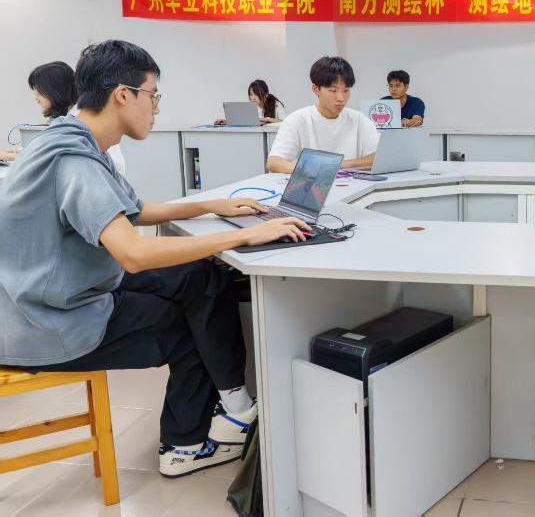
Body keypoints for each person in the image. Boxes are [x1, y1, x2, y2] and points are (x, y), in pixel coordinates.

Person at [0, 40, 314, 479]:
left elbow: (133, 211)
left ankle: (236, 400)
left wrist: (210, 206)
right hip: (45, 321)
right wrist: (247, 236)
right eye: (153, 95)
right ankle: (184, 446)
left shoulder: (70, 139)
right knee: (184, 325)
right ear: (122, 95)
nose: (157, 108)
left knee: (196, 274)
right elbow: (134, 253)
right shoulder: (74, 159)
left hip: (50, 292)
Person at [1, 62, 127, 174]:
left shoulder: (80, 121)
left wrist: (8, 156)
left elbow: (54, 158)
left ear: (54, 89)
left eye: (39, 89)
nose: (36, 95)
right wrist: (9, 153)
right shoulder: (69, 117)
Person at [267, 56, 379, 173]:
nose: (341, 98)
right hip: (311, 182)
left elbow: (379, 157)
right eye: (333, 91)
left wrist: (340, 164)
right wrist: (313, 170)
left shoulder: (359, 120)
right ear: (316, 89)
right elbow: (273, 162)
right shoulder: (297, 120)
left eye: (346, 90)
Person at [214, 79, 287, 125]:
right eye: (251, 94)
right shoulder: (251, 107)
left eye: (256, 94)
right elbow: (243, 121)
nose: (253, 98)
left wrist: (269, 119)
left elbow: (286, 122)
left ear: (266, 94)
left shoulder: (276, 104)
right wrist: (226, 122)